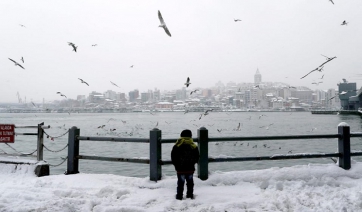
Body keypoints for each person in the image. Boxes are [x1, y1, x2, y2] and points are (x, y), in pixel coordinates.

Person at [171, 129, 200, 200]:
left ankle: (179, 196)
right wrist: (193, 163)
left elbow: (173, 157)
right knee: (190, 183)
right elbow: (197, 157)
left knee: (180, 183)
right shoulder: (193, 146)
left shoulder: (177, 145)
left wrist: (176, 165)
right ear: (190, 136)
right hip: (190, 168)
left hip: (180, 168)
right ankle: (189, 195)